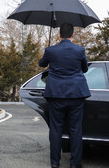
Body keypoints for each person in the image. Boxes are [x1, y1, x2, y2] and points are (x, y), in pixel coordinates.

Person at [39, 23, 91, 168]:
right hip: (76, 94)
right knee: (76, 130)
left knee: (56, 129)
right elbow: (85, 69)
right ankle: (75, 164)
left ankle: (55, 163)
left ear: (59, 35)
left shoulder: (51, 50)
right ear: (73, 34)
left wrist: (49, 54)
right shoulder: (80, 50)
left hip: (56, 94)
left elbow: (41, 64)